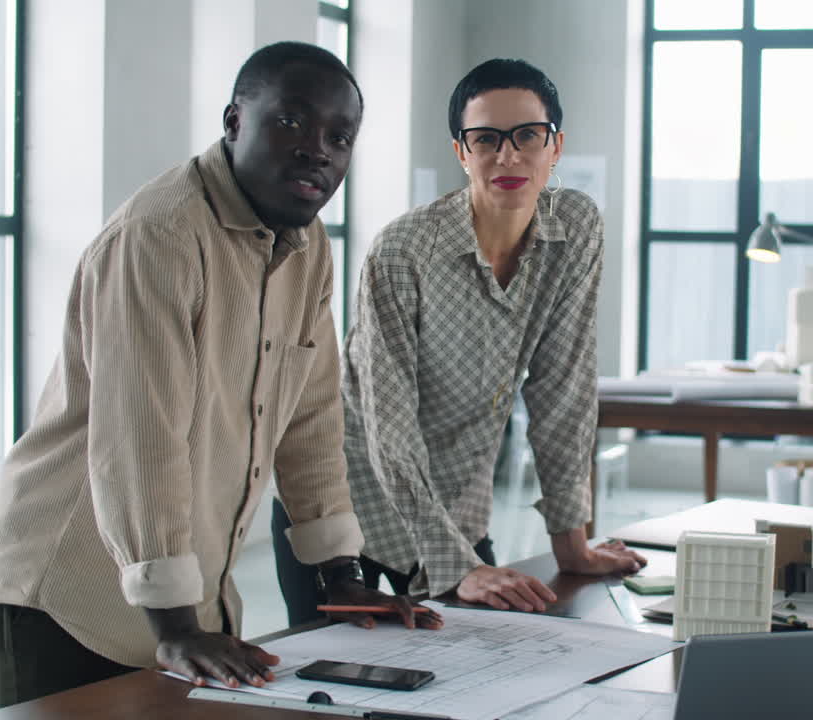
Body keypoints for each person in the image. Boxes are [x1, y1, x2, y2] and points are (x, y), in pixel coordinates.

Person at [0, 41, 438, 709]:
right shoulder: (160, 235)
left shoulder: (307, 246)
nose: (317, 149)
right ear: (233, 121)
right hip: (71, 591)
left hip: (184, 599)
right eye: (290, 121)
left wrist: (339, 574)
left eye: (340, 136)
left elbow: (312, 419)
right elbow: (140, 440)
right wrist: (179, 628)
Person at [272, 58, 645, 624]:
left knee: (488, 672)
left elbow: (563, 389)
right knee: (329, 700)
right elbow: (386, 423)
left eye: (527, 135)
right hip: (343, 507)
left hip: (456, 511)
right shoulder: (404, 250)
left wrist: (572, 545)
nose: (508, 154)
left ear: (555, 146)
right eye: (486, 138)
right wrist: (457, 565)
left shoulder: (576, 228)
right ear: (462, 152)